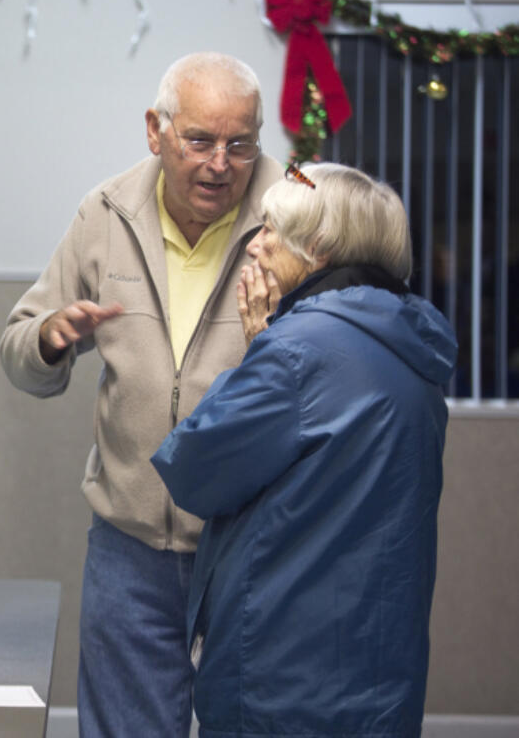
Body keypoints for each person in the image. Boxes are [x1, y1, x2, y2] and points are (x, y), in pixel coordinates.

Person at [0, 51, 284, 736]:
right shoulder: (105, 213)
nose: (221, 163)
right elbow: (16, 345)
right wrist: (51, 337)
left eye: (240, 143)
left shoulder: (295, 210)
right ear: (156, 130)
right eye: (200, 140)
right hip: (129, 546)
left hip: (251, 543)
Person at [151, 163, 456, 737]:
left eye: (270, 229)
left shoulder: (295, 351)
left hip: (283, 676)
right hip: (377, 666)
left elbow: (193, 470)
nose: (257, 245)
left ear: (316, 249)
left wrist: (257, 350)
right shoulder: (415, 349)